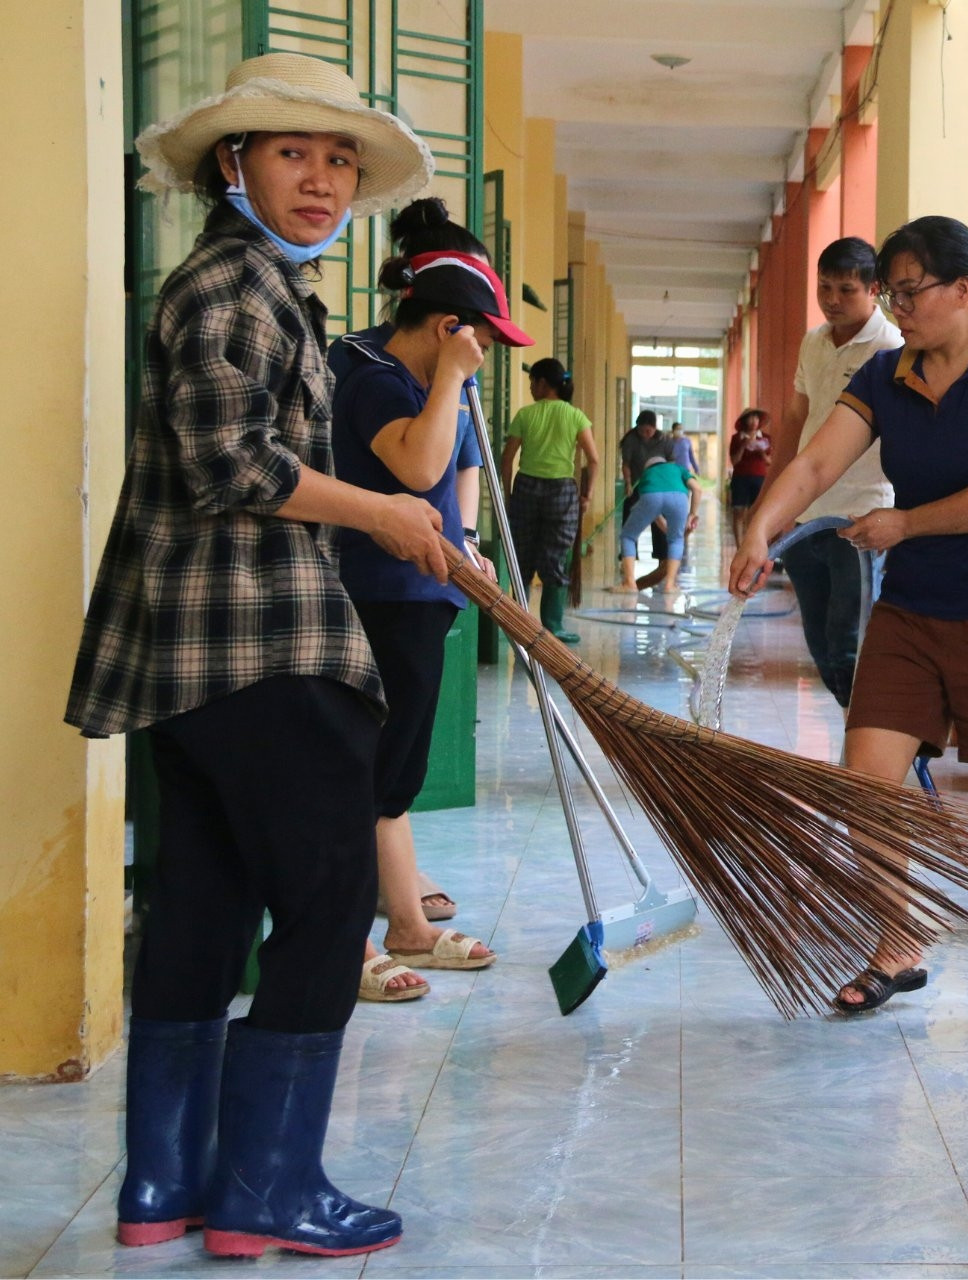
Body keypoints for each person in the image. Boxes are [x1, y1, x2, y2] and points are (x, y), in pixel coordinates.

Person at [66, 52, 440, 1257]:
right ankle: (269, 1192)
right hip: (261, 646)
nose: (323, 179)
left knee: (203, 905)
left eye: (340, 160)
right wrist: (382, 512)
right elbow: (233, 464)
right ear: (234, 165)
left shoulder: (252, 286)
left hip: (195, 660)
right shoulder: (233, 288)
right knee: (329, 903)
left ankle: (164, 1188)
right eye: (294, 153)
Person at [730, 216, 968, 1034]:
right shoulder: (888, 375)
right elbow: (818, 461)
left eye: (910, 291)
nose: (899, 308)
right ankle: (897, 943)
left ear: (964, 290)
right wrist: (759, 528)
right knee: (866, 782)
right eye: (891, 292)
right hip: (913, 611)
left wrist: (905, 525)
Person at [330, 197, 535, 998]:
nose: (484, 350)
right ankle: (345, 947)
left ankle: (408, 926)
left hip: (424, 589)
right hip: (374, 594)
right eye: (477, 333)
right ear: (447, 323)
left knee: (393, 775)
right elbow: (417, 470)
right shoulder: (371, 373)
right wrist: (450, 374)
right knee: (358, 774)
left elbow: (448, 482)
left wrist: (467, 543)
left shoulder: (416, 374)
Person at [765, 236, 902, 708]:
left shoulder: (892, 348)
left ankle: (868, 739)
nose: (832, 300)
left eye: (846, 290)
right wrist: (770, 506)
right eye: (825, 287)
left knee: (851, 643)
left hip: (860, 518)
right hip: (806, 517)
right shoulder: (814, 341)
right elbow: (795, 420)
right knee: (821, 645)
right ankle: (860, 726)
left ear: (874, 290)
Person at [502, 357, 598, 643]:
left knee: (523, 556)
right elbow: (593, 460)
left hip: (527, 489)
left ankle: (518, 624)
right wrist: (586, 496)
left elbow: (507, 460)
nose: (531, 387)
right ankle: (552, 627)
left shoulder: (525, 415)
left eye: (533, 381)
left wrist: (507, 494)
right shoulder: (576, 416)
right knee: (555, 556)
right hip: (561, 492)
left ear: (543, 383)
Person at [617, 448, 701, 595]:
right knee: (676, 541)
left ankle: (629, 583)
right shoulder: (678, 469)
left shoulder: (646, 475)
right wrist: (692, 515)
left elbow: (654, 510)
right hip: (679, 498)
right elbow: (697, 489)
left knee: (628, 536)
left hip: (651, 496)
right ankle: (670, 585)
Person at [727, 408, 772, 543]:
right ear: (744, 421)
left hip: (759, 478)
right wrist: (743, 446)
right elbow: (734, 461)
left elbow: (769, 462)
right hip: (740, 478)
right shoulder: (736, 438)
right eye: (750, 418)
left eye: (756, 418)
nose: (754, 421)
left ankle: (754, 543)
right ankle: (739, 546)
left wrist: (761, 452)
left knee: (757, 512)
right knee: (738, 512)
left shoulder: (765, 438)